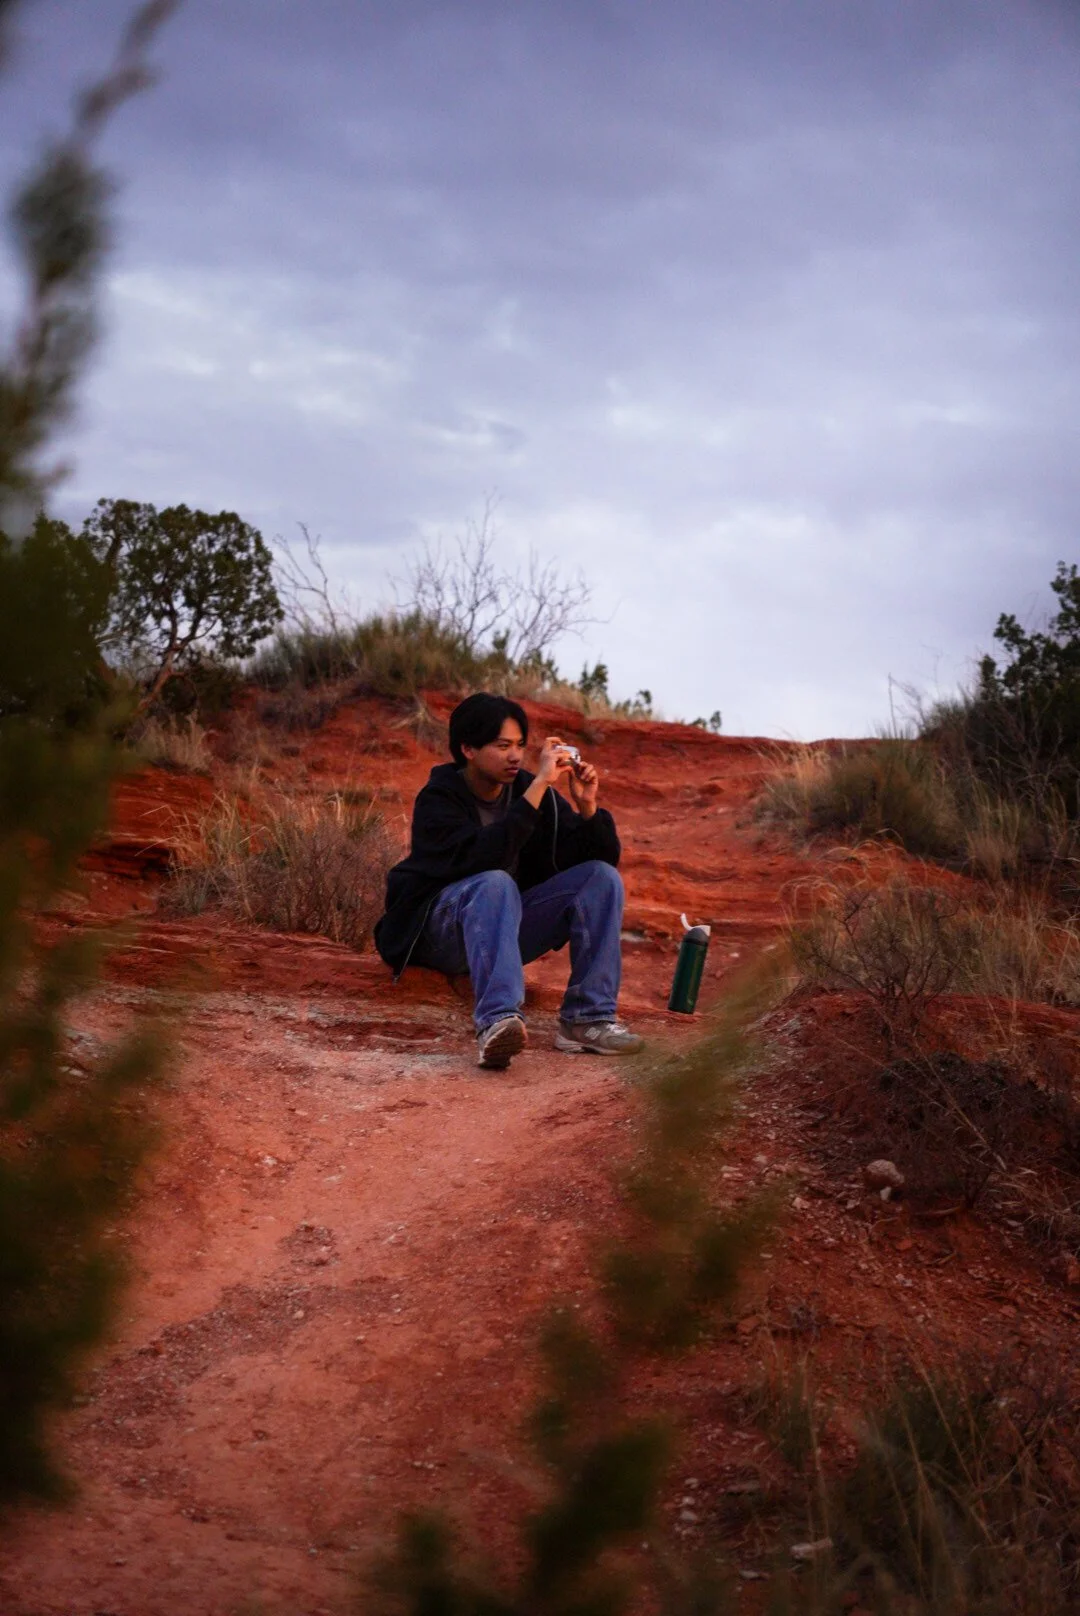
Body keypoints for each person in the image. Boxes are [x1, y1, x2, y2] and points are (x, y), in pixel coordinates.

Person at [374, 692, 645, 1069]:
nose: (516, 756)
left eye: (519, 745)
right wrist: (537, 791)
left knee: (602, 878)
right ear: (468, 748)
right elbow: (485, 858)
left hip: (499, 931)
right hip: (439, 936)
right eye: (502, 746)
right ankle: (497, 1021)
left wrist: (587, 808)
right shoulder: (438, 799)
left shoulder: (534, 796)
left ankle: (588, 1019)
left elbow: (596, 860)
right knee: (495, 882)